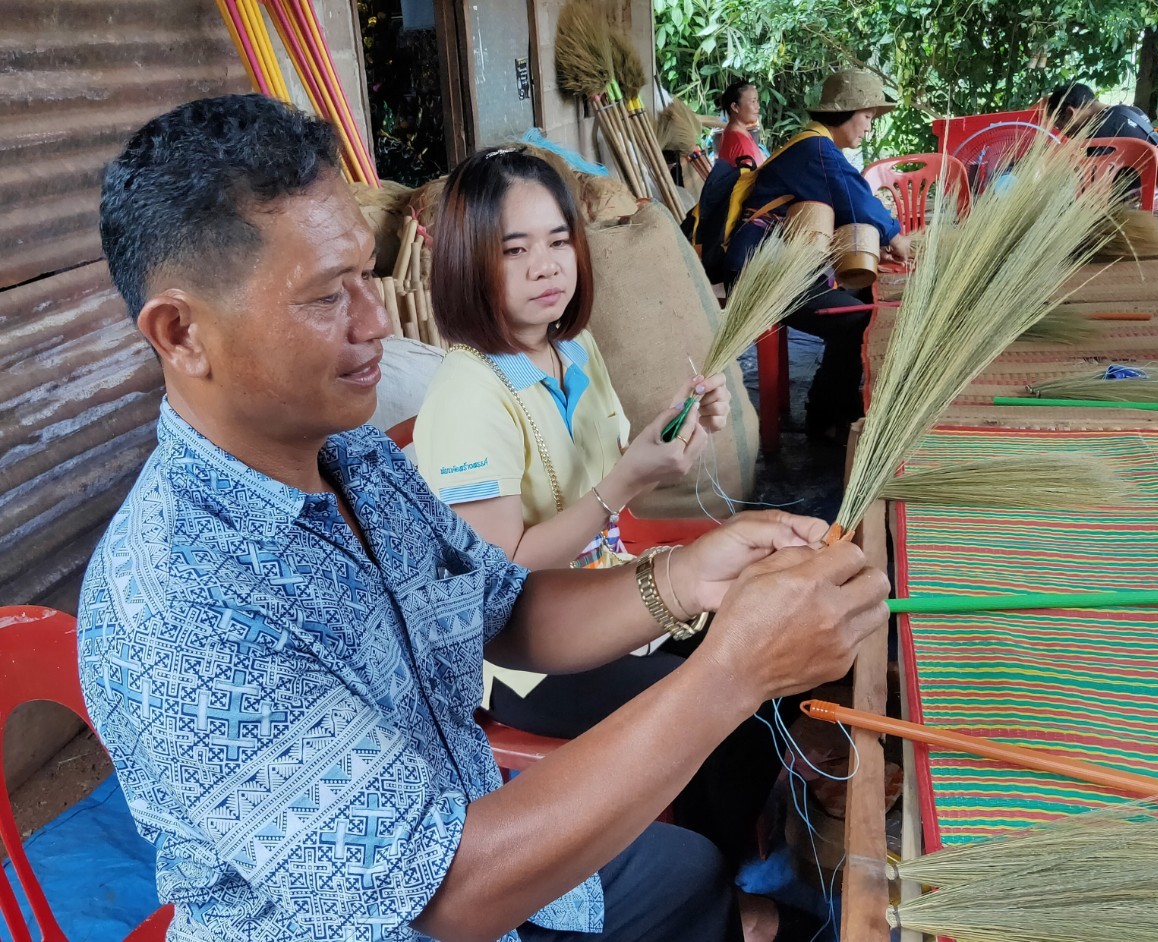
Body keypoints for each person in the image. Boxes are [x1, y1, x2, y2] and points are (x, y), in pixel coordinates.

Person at [80, 93, 890, 942]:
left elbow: (501, 608)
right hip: (423, 908)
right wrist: (732, 672)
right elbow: (444, 895)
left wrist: (687, 577)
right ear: (181, 333)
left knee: (690, 877)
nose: (376, 320)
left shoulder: (352, 461)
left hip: (481, 839)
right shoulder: (178, 607)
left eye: (365, 273)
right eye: (326, 297)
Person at [413, 147, 790, 871]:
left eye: (558, 242)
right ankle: (710, 882)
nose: (546, 266)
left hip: (607, 587)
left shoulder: (574, 349)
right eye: (513, 250)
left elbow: (613, 481)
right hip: (524, 652)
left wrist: (679, 431)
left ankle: (728, 852)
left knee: (766, 648)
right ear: (466, 262)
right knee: (727, 709)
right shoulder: (467, 396)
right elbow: (500, 569)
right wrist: (623, 483)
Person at [726, 68, 911, 445]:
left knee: (860, 296)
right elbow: (857, 199)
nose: (869, 128)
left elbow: (848, 205)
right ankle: (825, 417)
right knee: (853, 318)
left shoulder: (815, 146)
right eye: (868, 118)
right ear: (848, 111)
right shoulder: (816, 150)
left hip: (779, 261)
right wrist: (896, 237)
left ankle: (838, 403)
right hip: (764, 272)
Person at [1045, 82, 1158, 145]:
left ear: (1070, 113)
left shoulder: (1098, 133)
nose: (1065, 134)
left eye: (1059, 125)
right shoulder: (1134, 111)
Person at [717, 80, 765, 168]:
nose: (757, 106)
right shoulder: (740, 143)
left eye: (757, 101)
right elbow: (749, 180)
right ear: (735, 107)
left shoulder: (733, 132)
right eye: (753, 101)